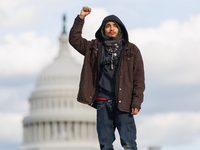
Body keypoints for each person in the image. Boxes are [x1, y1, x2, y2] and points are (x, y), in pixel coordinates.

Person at [69, 6, 145, 150]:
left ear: (120, 29)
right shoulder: (94, 47)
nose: (111, 29)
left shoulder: (132, 50)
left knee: (129, 143)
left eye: (115, 26)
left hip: (124, 103)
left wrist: (136, 102)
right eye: (108, 26)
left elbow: (139, 79)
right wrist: (81, 18)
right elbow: (74, 40)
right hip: (103, 103)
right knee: (105, 145)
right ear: (103, 29)